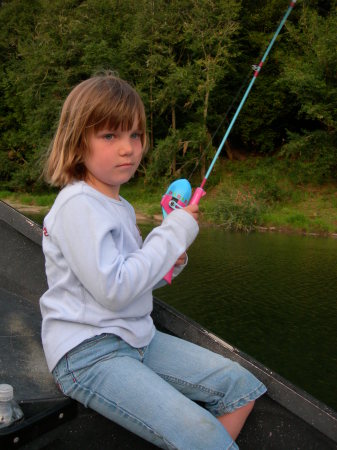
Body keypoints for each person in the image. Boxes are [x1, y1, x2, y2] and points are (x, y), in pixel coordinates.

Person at [40, 73, 266, 449]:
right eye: (110, 136)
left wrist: (170, 262)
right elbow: (114, 290)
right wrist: (172, 231)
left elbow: (135, 276)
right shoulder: (77, 205)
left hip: (138, 337)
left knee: (240, 388)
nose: (128, 148)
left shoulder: (120, 206)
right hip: (87, 353)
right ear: (78, 142)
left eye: (135, 135)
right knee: (201, 435)